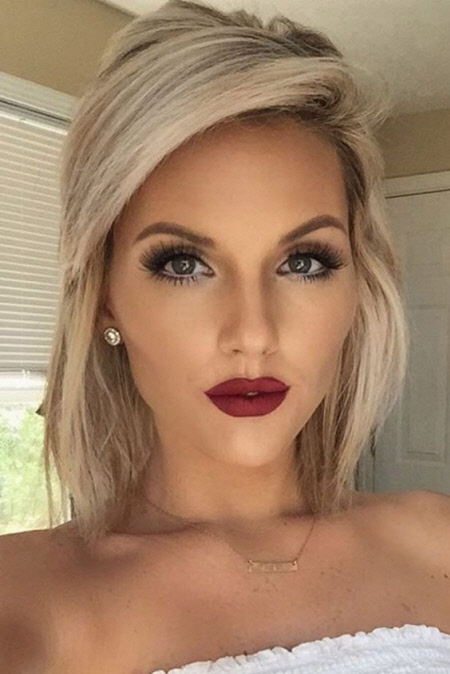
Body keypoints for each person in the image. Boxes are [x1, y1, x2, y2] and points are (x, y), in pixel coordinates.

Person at [1, 0, 450, 672]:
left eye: (304, 263)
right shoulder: (25, 603)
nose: (253, 333)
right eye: (183, 264)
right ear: (103, 298)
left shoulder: (437, 542)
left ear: (358, 286)